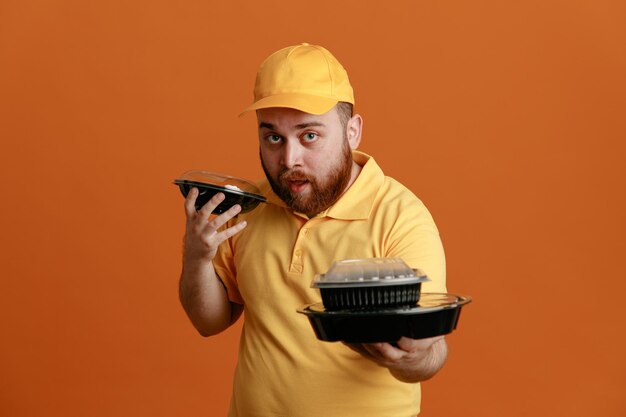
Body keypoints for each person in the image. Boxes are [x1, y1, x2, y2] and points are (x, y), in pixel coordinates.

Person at [179, 43, 448, 417]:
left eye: (309, 136)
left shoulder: (401, 217)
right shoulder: (253, 205)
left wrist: (409, 355)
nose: (290, 160)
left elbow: (430, 355)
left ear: (352, 132)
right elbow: (209, 321)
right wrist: (197, 257)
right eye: (273, 137)